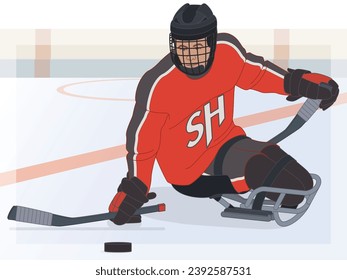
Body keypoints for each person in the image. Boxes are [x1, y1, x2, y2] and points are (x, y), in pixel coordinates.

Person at [108, 3, 339, 225]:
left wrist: (297, 83)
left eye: (198, 46)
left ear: (212, 42)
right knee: (280, 183)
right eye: (183, 47)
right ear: (173, 44)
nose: (190, 55)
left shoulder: (227, 52)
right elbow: (143, 143)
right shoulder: (158, 84)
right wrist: (136, 186)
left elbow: (257, 74)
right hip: (190, 172)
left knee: (298, 182)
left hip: (228, 144)